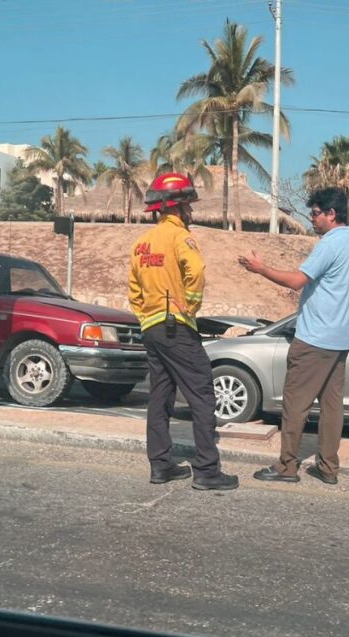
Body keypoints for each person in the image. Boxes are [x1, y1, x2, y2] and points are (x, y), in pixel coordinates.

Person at [238, 187, 349, 485]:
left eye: (316, 213)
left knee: (296, 404)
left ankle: (287, 467)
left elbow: (297, 281)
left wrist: (261, 269)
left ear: (332, 214)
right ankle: (328, 468)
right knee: (333, 407)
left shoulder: (330, 244)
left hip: (316, 338)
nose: (312, 219)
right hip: (341, 339)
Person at [128, 172, 239, 491]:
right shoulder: (180, 238)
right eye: (188, 205)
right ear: (177, 207)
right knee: (202, 393)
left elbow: (134, 288)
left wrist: (146, 314)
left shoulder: (141, 243)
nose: (191, 211)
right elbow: (197, 270)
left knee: (160, 396)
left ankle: (160, 466)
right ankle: (207, 470)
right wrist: (188, 308)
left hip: (151, 328)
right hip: (176, 326)